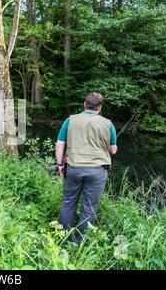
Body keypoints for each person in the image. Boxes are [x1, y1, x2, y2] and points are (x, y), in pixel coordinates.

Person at [55, 93, 118, 243]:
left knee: (68, 202)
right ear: (100, 107)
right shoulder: (108, 124)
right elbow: (113, 150)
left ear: (85, 104)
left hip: (73, 167)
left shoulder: (70, 120)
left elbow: (59, 144)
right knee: (89, 207)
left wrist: (59, 164)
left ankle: (62, 239)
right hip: (97, 170)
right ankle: (78, 243)